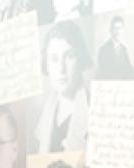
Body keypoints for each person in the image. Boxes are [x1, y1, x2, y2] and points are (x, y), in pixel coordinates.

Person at [33, 21, 91, 154]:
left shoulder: (92, 111)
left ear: (80, 60)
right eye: (54, 59)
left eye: (69, 56)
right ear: (46, 64)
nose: (61, 69)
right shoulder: (47, 113)